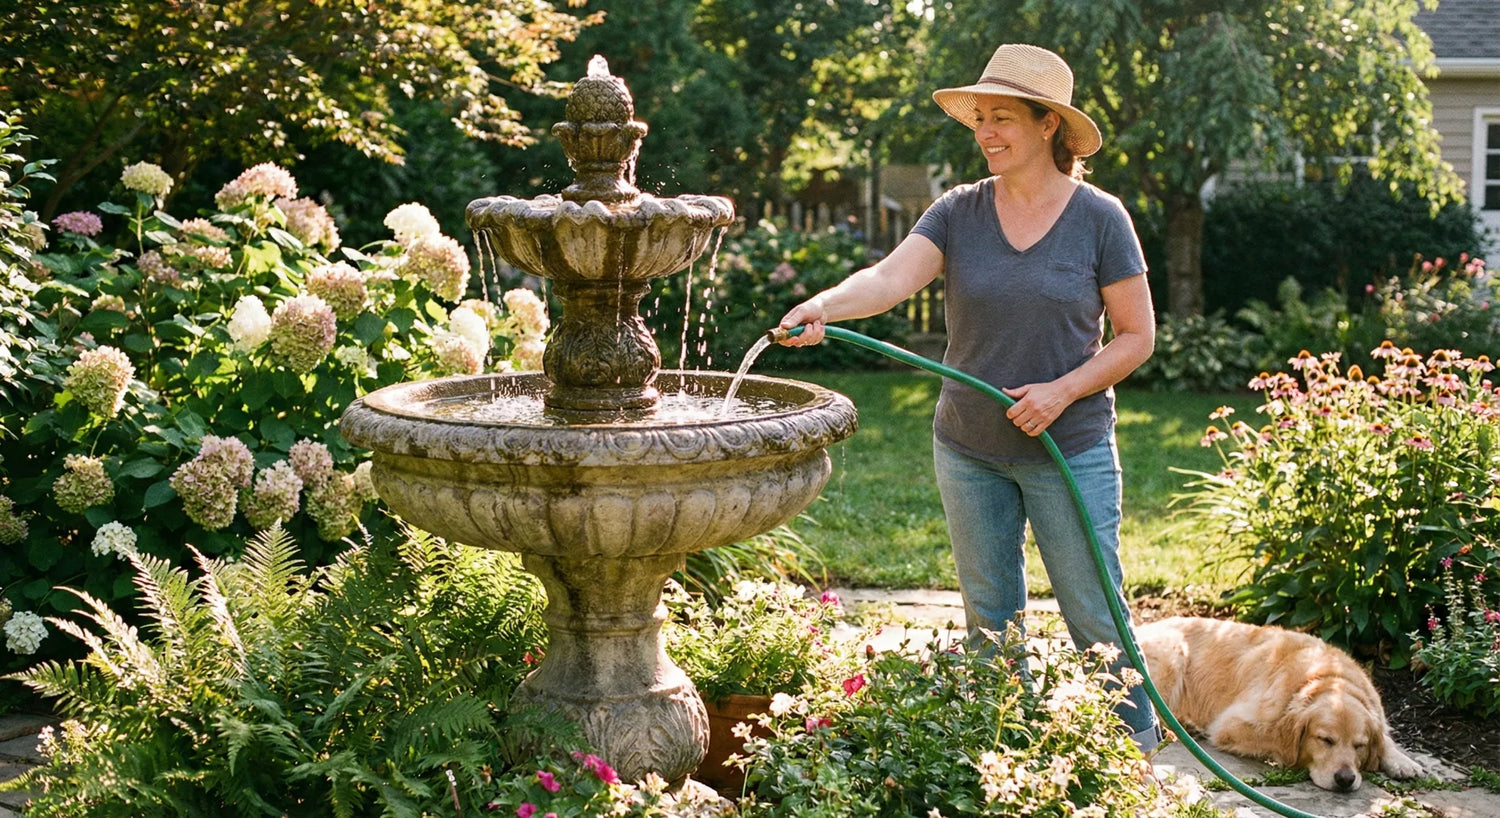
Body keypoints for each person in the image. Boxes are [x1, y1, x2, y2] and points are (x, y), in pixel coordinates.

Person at [776, 43, 1160, 751]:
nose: (985, 131)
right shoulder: (958, 212)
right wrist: (823, 303)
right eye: (979, 118)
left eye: (1002, 117)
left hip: (1066, 448)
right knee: (990, 621)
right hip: (969, 448)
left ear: (1049, 125)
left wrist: (1062, 391)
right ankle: (1000, 757)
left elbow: (1137, 337)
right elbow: (890, 280)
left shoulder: (1100, 219)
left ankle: (1134, 763)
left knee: (1097, 620)